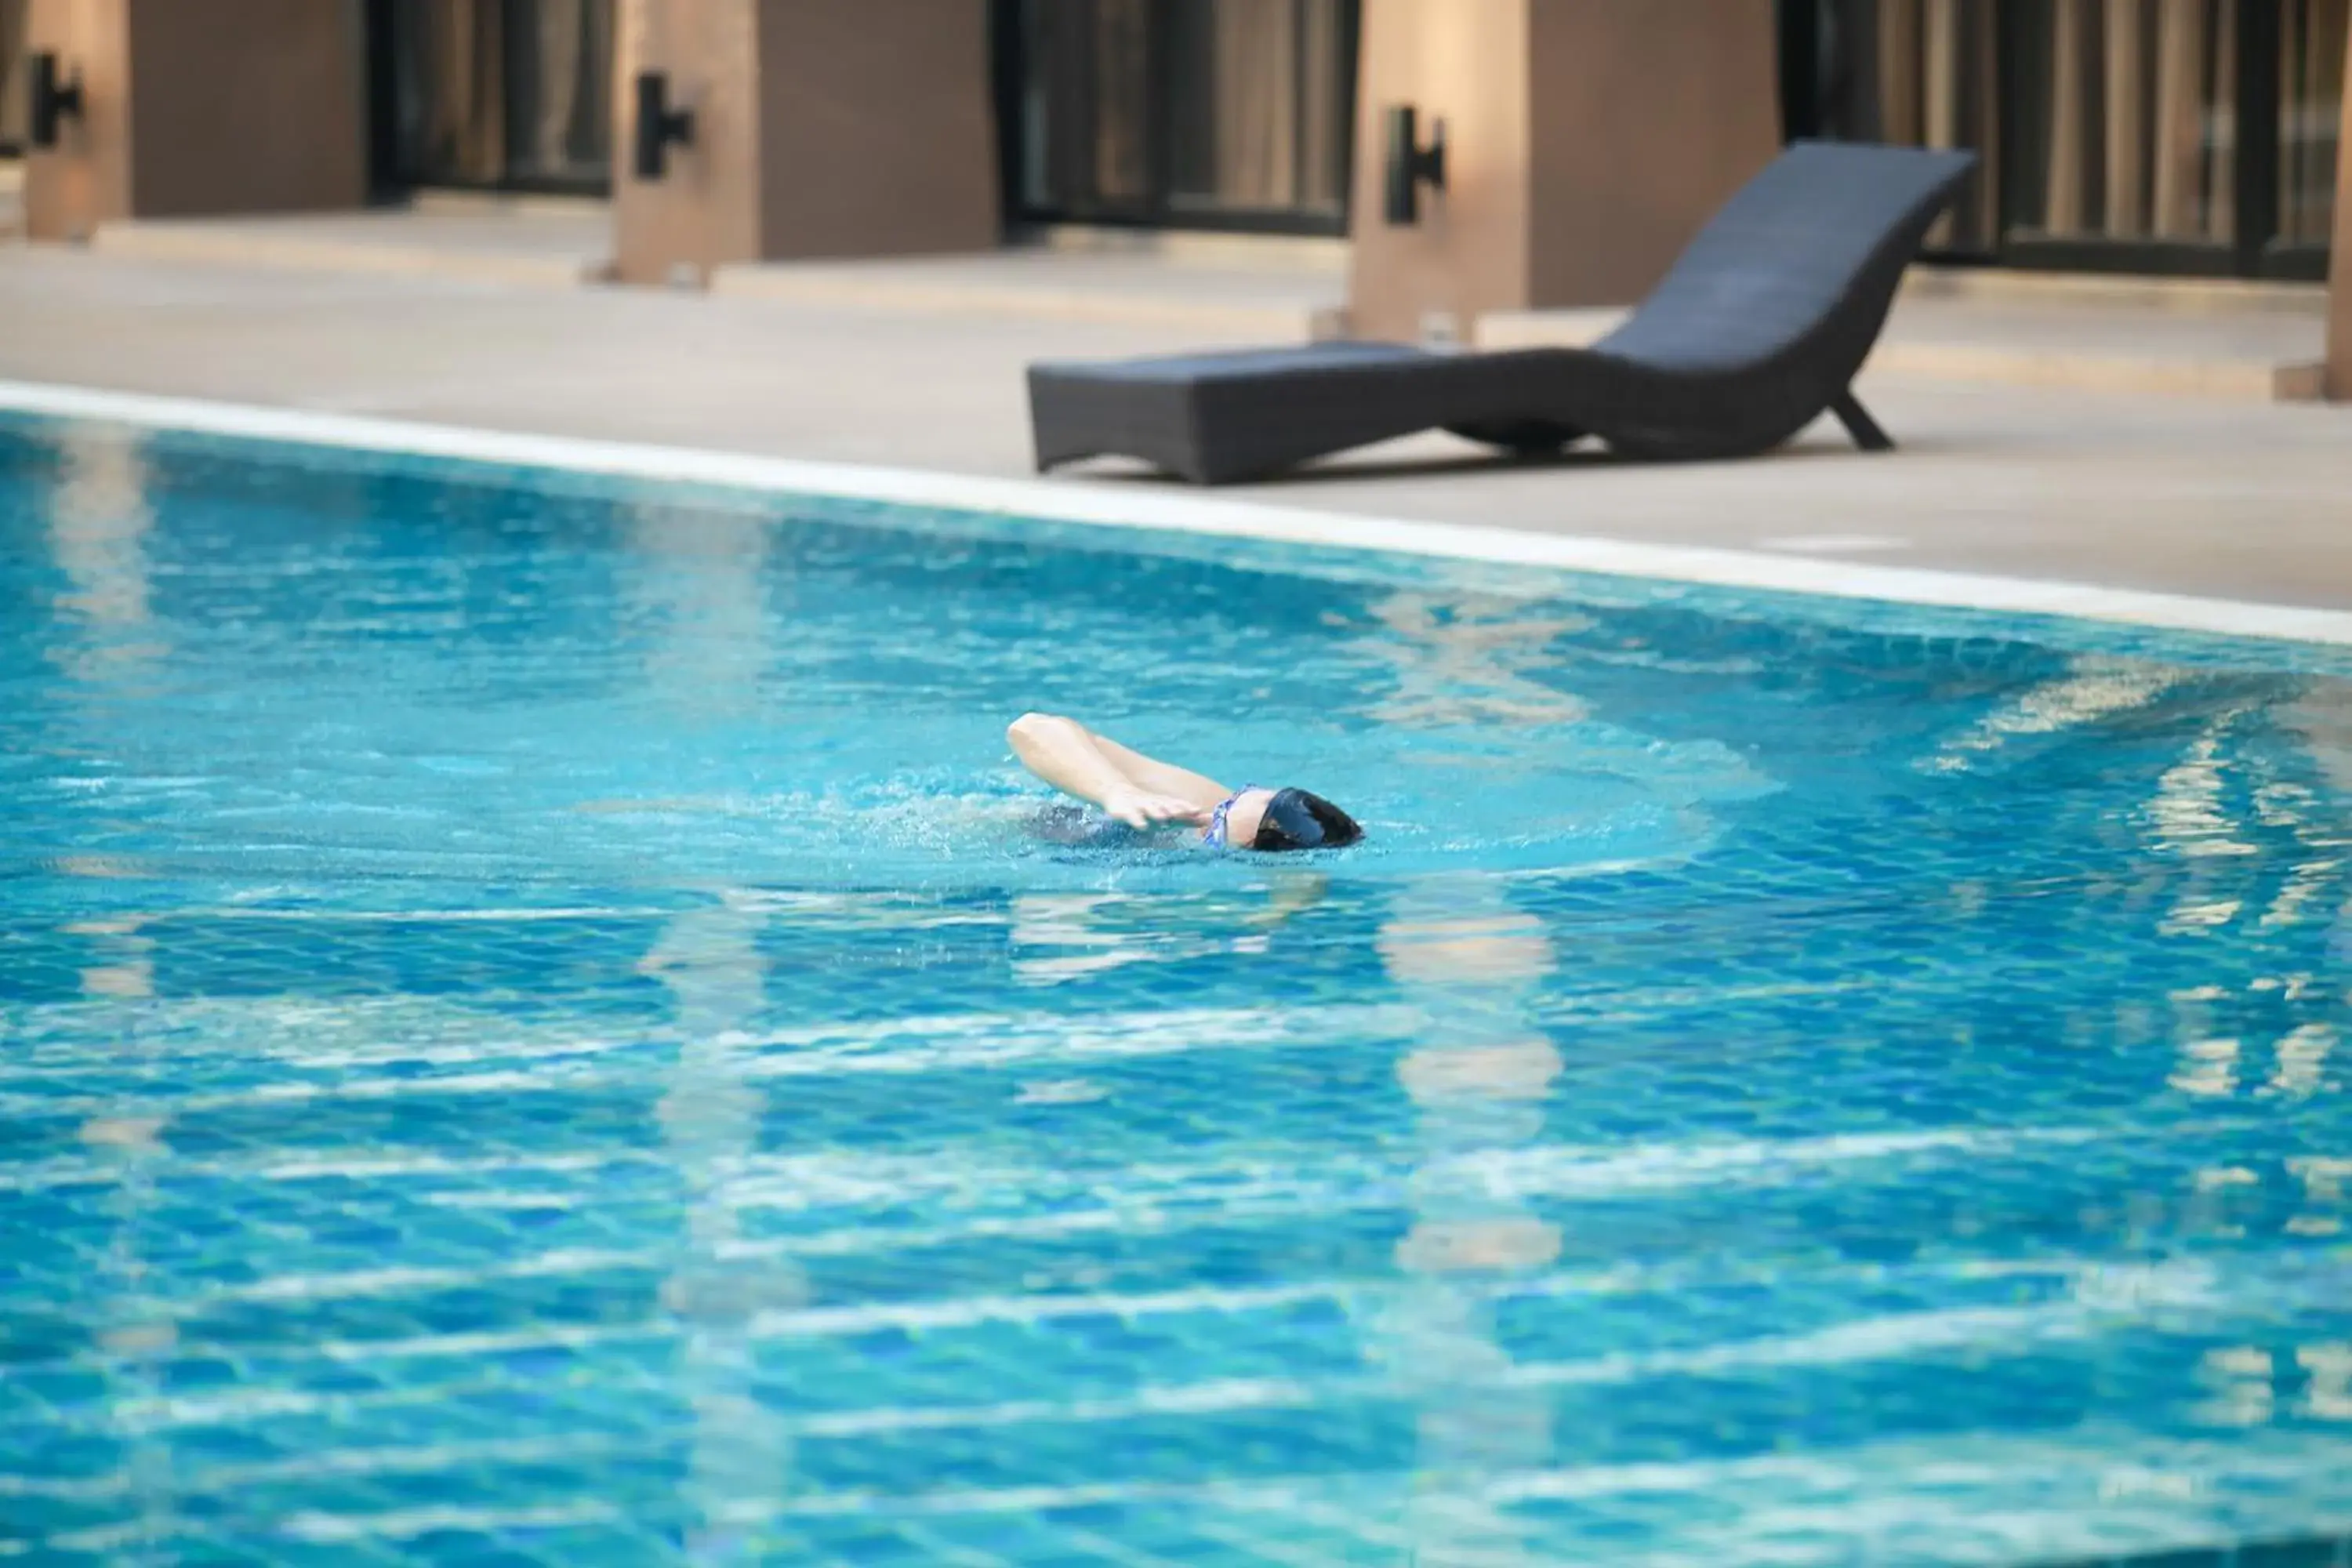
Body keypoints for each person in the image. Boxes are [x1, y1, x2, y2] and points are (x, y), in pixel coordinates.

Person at [1007, 712, 1363, 853]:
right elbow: (1030, 728)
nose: (1202, 820)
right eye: (1232, 801)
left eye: (1216, 832)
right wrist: (1116, 790)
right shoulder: (1198, 803)